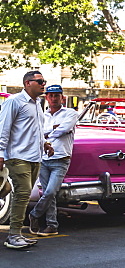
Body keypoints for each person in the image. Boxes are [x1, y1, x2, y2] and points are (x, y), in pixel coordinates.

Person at [0, 71, 47, 250]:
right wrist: (0, 153)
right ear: (28, 83)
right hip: (18, 156)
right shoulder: (14, 101)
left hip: (35, 157)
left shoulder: (37, 104)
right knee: (23, 193)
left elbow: (37, 130)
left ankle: (17, 233)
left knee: (24, 195)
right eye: (40, 81)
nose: (44, 84)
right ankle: (13, 235)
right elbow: (3, 128)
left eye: (44, 81)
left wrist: (45, 143)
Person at [27, 85, 79, 237]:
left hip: (61, 159)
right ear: (47, 98)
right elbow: (38, 133)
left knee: (50, 192)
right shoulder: (42, 115)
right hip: (43, 159)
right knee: (49, 195)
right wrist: (53, 130)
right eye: (51, 95)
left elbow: (64, 129)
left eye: (57, 95)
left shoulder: (71, 113)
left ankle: (35, 214)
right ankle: (52, 225)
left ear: (62, 97)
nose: (54, 98)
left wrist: (49, 132)